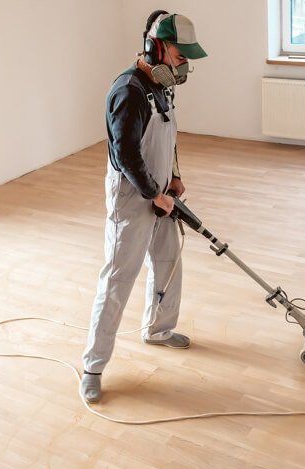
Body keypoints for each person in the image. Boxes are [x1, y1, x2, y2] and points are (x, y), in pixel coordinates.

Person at [81, 11, 207, 403]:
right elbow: (126, 154)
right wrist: (155, 194)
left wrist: (173, 174)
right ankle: (93, 365)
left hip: (159, 189)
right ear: (156, 47)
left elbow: (166, 135)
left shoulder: (164, 85)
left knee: (168, 262)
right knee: (119, 279)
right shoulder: (128, 92)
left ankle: (158, 329)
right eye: (179, 53)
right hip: (131, 198)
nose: (185, 61)